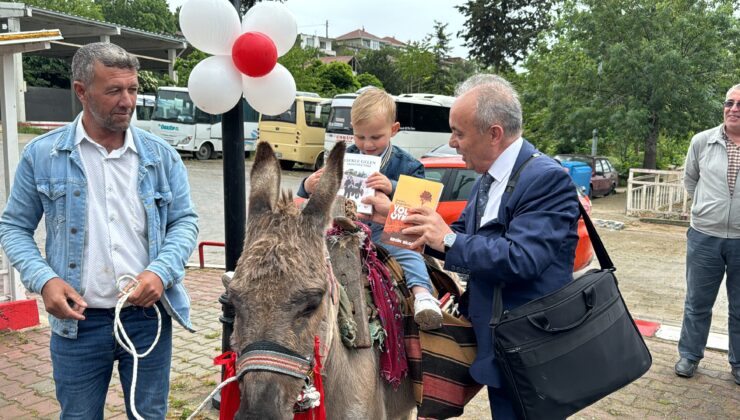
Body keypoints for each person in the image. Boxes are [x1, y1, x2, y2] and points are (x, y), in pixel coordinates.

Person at [362, 74, 580, 418]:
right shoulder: (487, 178)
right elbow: (457, 233)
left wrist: (446, 238)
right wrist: (392, 217)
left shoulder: (546, 178)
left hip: (532, 349)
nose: (452, 142)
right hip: (500, 346)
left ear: (494, 134)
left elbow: (522, 259)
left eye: (459, 133)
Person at [0, 42, 199, 419]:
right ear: (81, 91)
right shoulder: (43, 155)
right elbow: (13, 226)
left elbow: (184, 221)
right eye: (114, 90)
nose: (127, 101)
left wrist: (161, 270)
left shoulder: (160, 156)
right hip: (78, 322)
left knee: (148, 415)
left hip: (147, 317)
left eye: (133, 89)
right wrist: (44, 280)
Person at [297, 87, 443, 330]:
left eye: (375, 137)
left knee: (408, 253)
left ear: (393, 130)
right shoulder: (342, 157)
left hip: (387, 231)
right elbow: (312, 197)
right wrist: (308, 185)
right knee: (306, 247)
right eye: (360, 137)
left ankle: (422, 296)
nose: (367, 144)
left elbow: (423, 204)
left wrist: (393, 187)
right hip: (343, 229)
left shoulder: (409, 164)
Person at [676, 83, 740, 386]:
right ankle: (689, 355)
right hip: (704, 236)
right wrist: (706, 209)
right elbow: (690, 180)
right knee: (697, 302)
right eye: (729, 103)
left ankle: (738, 362)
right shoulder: (702, 141)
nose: (734, 109)